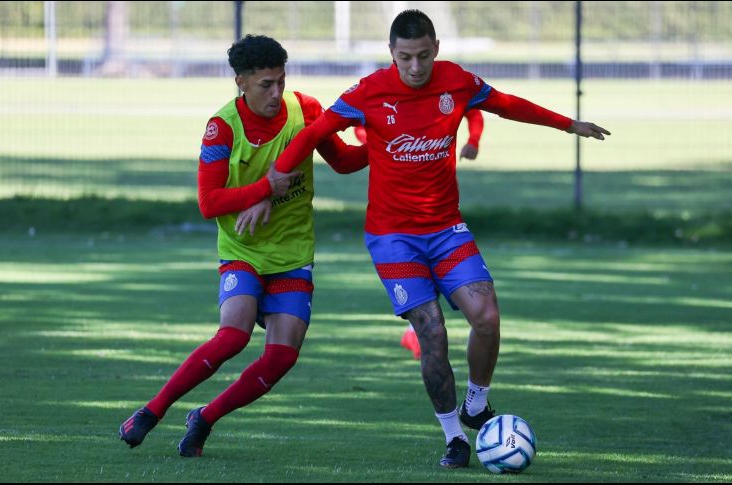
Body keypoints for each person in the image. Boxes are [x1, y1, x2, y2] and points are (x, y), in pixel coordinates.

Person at [272, 10, 610, 468]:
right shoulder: (368, 92)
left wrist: (568, 124)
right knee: (431, 331)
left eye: (423, 56)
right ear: (392, 53)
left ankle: (476, 403)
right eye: (405, 57)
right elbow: (314, 133)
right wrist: (277, 175)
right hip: (393, 237)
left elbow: (508, 104)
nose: (415, 67)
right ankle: (454, 437)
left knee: (487, 316)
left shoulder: (457, 82)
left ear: (436, 49)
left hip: (447, 229)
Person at [118, 34, 367, 457]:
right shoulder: (222, 127)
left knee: (282, 358)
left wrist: (385, 145)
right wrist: (264, 188)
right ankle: (152, 410)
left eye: (281, 81)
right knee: (233, 336)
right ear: (241, 82)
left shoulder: (305, 109)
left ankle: (205, 418)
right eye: (266, 84)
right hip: (243, 250)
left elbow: (342, 161)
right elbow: (209, 202)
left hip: (292, 253)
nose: (276, 93)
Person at [356, 110, 485, 361]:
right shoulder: (379, 98)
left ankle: (413, 332)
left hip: (438, 204)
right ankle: (415, 331)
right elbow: (361, 126)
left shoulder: (443, 93)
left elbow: (473, 111)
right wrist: (381, 145)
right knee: (419, 268)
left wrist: (473, 140)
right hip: (397, 211)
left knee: (438, 264)